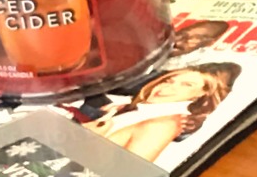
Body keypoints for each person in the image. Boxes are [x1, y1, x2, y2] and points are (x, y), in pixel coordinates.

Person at [84, 58, 239, 166]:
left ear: (201, 94)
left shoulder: (163, 124)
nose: (168, 87)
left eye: (187, 85)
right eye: (169, 81)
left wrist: (87, 138)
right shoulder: (130, 109)